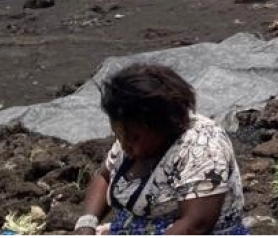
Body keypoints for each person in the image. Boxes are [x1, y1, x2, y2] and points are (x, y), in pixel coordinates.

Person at [74, 63, 247, 235]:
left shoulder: (202, 147)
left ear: (162, 125)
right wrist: (87, 223)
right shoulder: (133, 139)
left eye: (133, 137)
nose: (124, 144)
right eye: (118, 135)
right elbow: (105, 175)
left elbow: (195, 224)